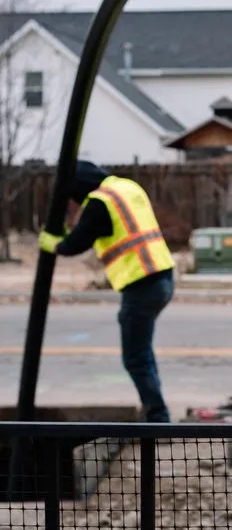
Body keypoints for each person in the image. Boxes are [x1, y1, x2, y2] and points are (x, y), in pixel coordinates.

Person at [39, 161, 175, 422]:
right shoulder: (126, 187)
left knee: (135, 357)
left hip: (141, 283)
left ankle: (159, 419)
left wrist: (54, 244)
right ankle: (156, 413)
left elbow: (76, 242)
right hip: (164, 276)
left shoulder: (100, 202)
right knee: (142, 352)